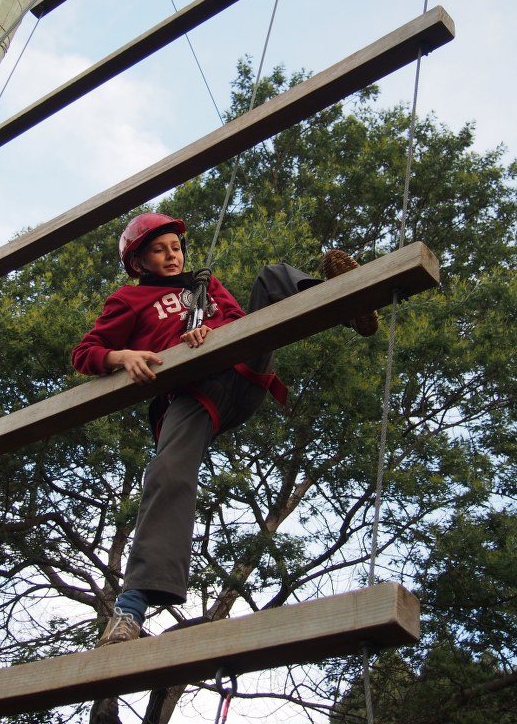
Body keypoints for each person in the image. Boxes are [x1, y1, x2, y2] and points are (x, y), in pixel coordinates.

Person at [72, 212, 377, 645]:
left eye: (175, 248)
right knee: (167, 472)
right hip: (193, 394)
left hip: (242, 370)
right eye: (159, 250)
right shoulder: (129, 299)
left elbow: (237, 319)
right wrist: (122, 357)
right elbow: (86, 352)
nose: (172, 256)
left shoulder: (205, 285)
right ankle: (131, 608)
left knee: (272, 278)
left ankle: (347, 303)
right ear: (138, 262)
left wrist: (209, 333)